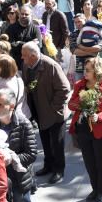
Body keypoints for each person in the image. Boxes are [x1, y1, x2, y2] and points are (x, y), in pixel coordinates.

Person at [68, 57, 102, 202]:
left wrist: (99, 116)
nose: (84, 72)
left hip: (101, 132)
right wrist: (82, 102)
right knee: (89, 162)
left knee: (100, 162)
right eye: (85, 70)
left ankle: (101, 192)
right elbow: (71, 105)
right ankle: (94, 189)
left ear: (97, 72)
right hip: (83, 130)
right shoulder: (80, 85)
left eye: (88, 70)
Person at [22, 41, 70, 185]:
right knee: (45, 141)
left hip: (54, 113)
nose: (22, 58)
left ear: (34, 55)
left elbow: (64, 89)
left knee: (57, 143)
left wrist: (53, 108)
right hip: (39, 111)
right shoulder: (27, 65)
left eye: (24, 56)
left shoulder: (51, 66)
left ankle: (59, 170)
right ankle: (48, 165)